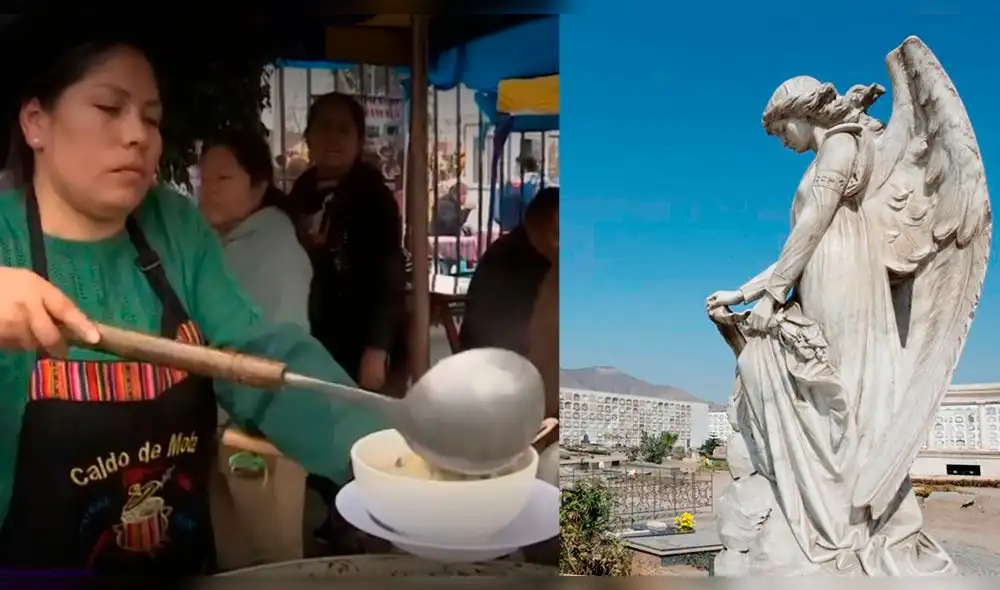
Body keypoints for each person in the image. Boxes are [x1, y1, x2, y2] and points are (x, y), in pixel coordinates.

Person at [0, 39, 386, 574]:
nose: (137, 134)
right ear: (36, 122)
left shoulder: (173, 225)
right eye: (109, 108)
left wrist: (383, 454)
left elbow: (255, 354)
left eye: (152, 118)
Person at [285, 92, 407, 545]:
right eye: (323, 127)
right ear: (308, 138)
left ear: (358, 140)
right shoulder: (297, 196)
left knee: (362, 437)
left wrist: (378, 346)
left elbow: (389, 276)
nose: (332, 138)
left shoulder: (374, 200)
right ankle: (341, 516)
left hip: (360, 340)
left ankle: (371, 529)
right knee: (320, 432)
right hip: (314, 335)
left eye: (343, 129)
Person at [196, 129, 312, 568]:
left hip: (263, 428)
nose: (207, 191)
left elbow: (271, 350)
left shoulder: (274, 250)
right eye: (203, 179)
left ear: (259, 186)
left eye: (223, 179)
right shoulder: (219, 246)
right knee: (232, 548)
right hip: (226, 424)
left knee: (270, 557)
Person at [460, 186, 558, 357]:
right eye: (558, 233)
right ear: (538, 225)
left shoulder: (537, 251)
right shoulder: (515, 260)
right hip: (495, 358)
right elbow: (526, 331)